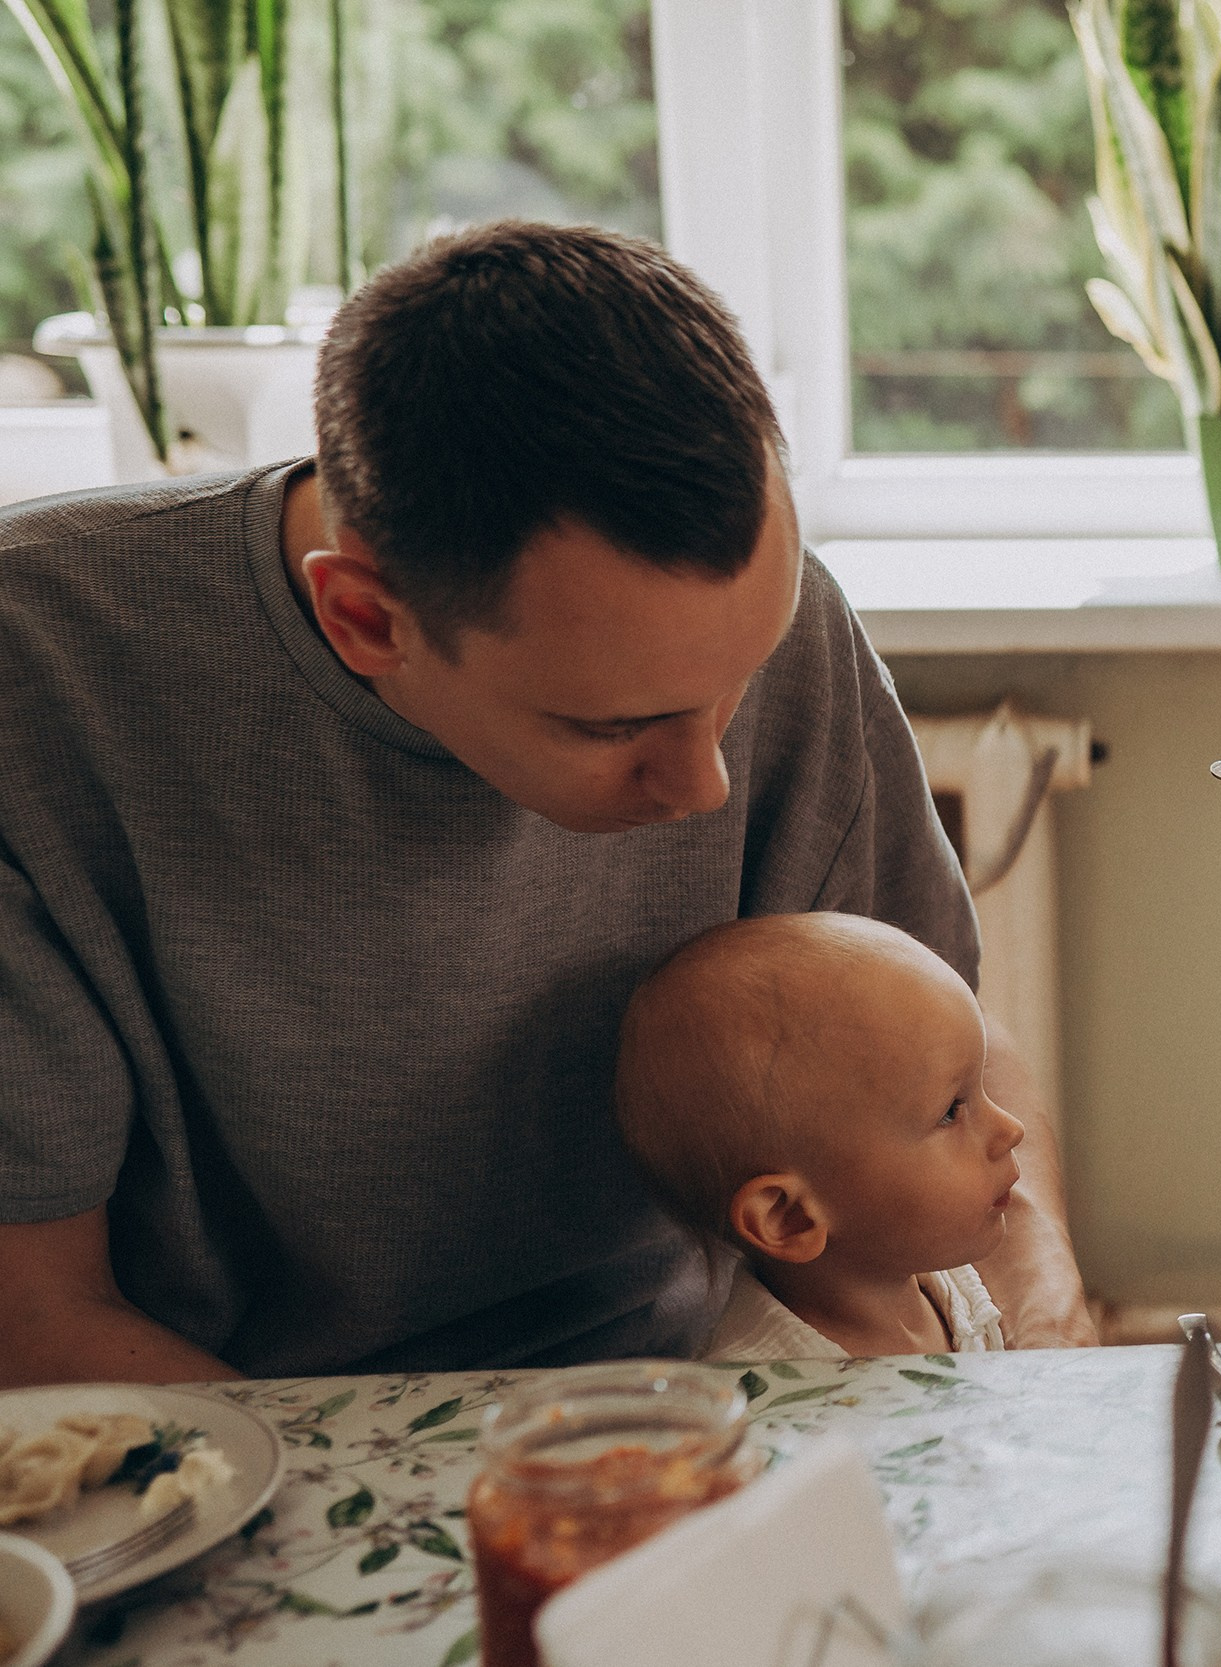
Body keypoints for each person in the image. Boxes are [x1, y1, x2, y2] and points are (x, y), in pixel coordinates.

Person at [0, 221, 1091, 1385]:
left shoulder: (770, 619)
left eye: (738, 685)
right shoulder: (40, 673)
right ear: (365, 620)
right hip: (254, 1428)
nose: (706, 785)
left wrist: (1043, 1328)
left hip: (704, 1381)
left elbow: (946, 1047)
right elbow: (36, 1316)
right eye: (617, 726)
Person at [614, 913, 1023, 1360]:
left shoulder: (951, 1287)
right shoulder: (760, 1400)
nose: (1010, 1129)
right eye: (949, 1112)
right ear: (790, 1217)